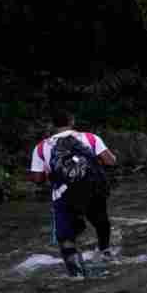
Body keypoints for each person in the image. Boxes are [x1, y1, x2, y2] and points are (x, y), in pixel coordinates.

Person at [29, 111, 117, 277]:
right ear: (72, 121)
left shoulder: (41, 147)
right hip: (93, 190)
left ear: (52, 125)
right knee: (101, 222)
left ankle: (75, 275)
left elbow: (37, 178)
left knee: (65, 237)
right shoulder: (91, 138)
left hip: (63, 196)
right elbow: (110, 161)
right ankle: (105, 252)